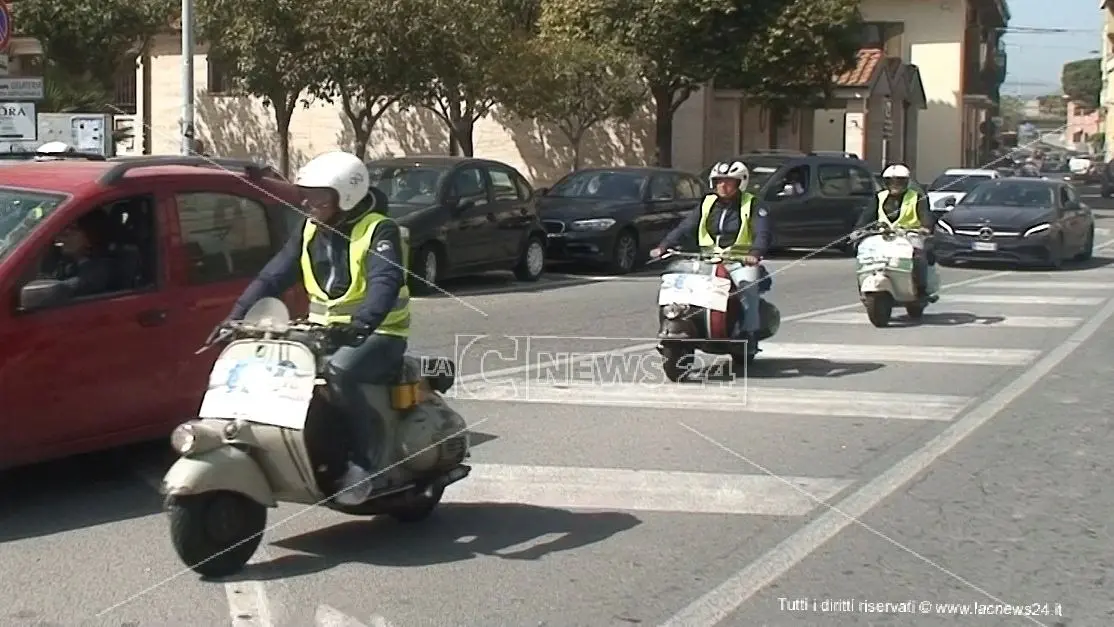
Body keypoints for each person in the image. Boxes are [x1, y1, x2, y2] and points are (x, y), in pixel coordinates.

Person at [224, 151, 411, 506]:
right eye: (304, 193)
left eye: (318, 195)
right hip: (322, 331)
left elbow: (384, 282)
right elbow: (273, 275)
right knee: (273, 366)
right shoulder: (310, 228)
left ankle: (364, 464)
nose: (307, 202)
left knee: (341, 372)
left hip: (379, 333)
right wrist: (236, 316)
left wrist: (361, 324)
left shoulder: (378, 229)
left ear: (347, 195)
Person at [650, 160, 772, 355]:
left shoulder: (752, 204)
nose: (722, 186)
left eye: (728, 182)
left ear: (740, 182)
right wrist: (664, 245)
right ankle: (685, 323)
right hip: (706, 260)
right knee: (679, 284)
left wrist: (755, 253)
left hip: (738, 260)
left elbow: (762, 232)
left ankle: (750, 334)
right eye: (718, 181)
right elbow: (686, 226)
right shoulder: (707, 203)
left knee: (746, 286)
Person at [854, 163, 936, 297]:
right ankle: (863, 286)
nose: (895, 185)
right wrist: (858, 229)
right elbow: (867, 216)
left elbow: (925, 214)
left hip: (910, 235)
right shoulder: (879, 197)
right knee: (863, 254)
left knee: (918, 256)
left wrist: (925, 227)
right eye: (890, 181)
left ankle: (921, 289)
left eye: (899, 181)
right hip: (883, 235)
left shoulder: (916, 197)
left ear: (906, 182)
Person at [55, 211, 114, 297]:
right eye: (65, 228)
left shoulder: (99, 270)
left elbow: (60, 289)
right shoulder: (66, 262)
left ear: (90, 238)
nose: (64, 235)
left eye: (73, 229)